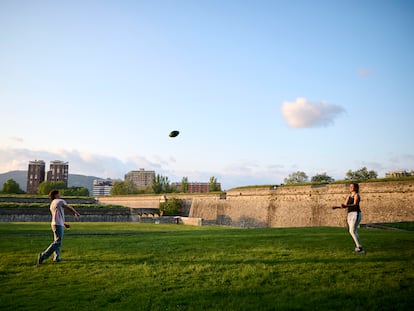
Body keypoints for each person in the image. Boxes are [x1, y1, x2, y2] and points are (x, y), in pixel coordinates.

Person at [37, 189, 80, 265]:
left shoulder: (52, 203)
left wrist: (64, 223)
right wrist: (75, 213)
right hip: (58, 224)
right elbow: (68, 207)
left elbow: (57, 215)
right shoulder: (60, 201)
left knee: (57, 241)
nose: (60, 195)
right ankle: (43, 255)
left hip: (55, 224)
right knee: (57, 242)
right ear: (56, 195)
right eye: (59, 194)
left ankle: (57, 258)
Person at [332, 183, 365, 254]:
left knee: (352, 231)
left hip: (356, 213)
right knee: (353, 231)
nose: (350, 187)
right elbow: (345, 205)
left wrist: (345, 205)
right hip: (350, 214)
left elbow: (355, 204)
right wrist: (336, 207)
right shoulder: (349, 196)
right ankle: (358, 247)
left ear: (355, 188)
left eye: (352, 186)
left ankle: (360, 248)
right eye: (350, 186)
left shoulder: (356, 195)